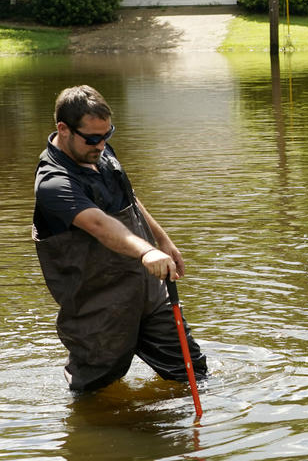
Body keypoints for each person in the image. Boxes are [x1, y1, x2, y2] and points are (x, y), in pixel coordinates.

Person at [32, 85, 207, 392]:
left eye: (107, 134)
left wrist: (162, 241)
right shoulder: (53, 183)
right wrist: (145, 252)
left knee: (192, 372)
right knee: (95, 392)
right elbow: (100, 225)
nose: (101, 145)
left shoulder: (99, 150)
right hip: (99, 308)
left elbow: (129, 197)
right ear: (63, 128)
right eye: (93, 138)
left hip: (149, 293)